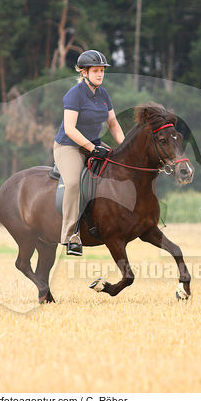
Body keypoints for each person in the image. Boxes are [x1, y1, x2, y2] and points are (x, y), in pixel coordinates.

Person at [53, 50, 125, 256]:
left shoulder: (103, 94)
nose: (100, 74)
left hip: (92, 144)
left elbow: (113, 123)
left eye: (102, 70)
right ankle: (70, 237)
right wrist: (93, 148)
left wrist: (124, 146)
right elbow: (69, 129)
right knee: (74, 183)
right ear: (84, 72)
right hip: (69, 146)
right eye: (96, 71)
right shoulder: (74, 94)